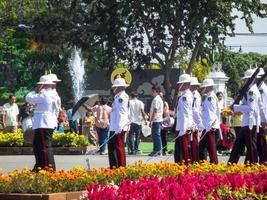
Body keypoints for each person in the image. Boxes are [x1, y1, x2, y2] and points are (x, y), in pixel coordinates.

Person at [25, 75, 58, 171]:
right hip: (44, 123)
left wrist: (35, 90)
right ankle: (40, 166)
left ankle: (47, 168)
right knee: (38, 146)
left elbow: (28, 98)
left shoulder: (45, 94)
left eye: (41, 84)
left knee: (44, 148)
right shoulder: (52, 94)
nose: (40, 86)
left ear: (44, 85)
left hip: (43, 123)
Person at [229, 69, 260, 164]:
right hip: (246, 122)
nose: (245, 81)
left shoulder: (252, 91)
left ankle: (253, 165)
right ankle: (231, 164)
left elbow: (251, 108)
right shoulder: (249, 90)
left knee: (251, 146)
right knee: (238, 145)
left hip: (250, 122)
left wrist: (236, 107)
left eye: (247, 79)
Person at [108, 77, 130, 168]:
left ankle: (121, 168)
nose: (113, 89)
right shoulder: (117, 97)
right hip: (113, 127)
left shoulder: (122, 97)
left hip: (118, 127)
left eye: (115, 87)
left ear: (120, 87)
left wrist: (119, 128)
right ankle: (113, 168)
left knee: (119, 149)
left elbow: (122, 113)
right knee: (111, 149)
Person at [174, 74, 194, 165]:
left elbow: (186, 114)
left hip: (184, 127)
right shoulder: (183, 96)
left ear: (186, 84)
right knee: (179, 150)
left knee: (185, 150)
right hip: (182, 126)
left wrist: (183, 129)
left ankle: (186, 167)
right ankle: (180, 166)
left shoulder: (186, 97)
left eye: (180, 84)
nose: (179, 86)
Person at [199, 78, 219, 164]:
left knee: (211, 147)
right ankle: (203, 163)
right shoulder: (207, 97)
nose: (204, 89)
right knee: (202, 146)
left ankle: (214, 163)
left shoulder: (211, 97)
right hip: (206, 125)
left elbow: (212, 112)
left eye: (205, 87)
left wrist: (209, 125)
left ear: (209, 87)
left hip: (210, 126)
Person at [190, 77, 202, 162]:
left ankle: (195, 160)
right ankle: (193, 159)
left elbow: (196, 111)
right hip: (192, 122)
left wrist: (198, 123)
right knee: (191, 143)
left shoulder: (195, 96)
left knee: (194, 143)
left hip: (194, 122)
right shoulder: (192, 94)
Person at [256, 68, 267, 164]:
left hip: (261, 120)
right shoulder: (259, 87)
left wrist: (263, 120)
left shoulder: (261, 89)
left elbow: (262, 106)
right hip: (259, 119)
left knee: (261, 142)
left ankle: (264, 161)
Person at [149, 86, 163, 157]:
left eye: (152, 91)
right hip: (156, 120)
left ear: (156, 91)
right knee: (154, 136)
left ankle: (158, 151)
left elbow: (155, 111)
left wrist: (151, 121)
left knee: (156, 135)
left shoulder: (157, 99)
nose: (151, 92)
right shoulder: (156, 99)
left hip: (156, 120)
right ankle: (155, 150)